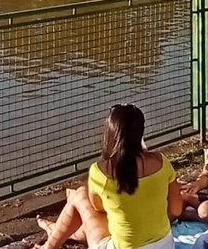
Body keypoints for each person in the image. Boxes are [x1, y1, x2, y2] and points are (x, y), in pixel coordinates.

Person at [34, 104, 181, 249]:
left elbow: (98, 207)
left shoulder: (101, 172)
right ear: (141, 133)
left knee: (80, 195)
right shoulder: (161, 163)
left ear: (110, 134)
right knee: (93, 220)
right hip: (165, 245)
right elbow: (176, 210)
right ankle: (54, 231)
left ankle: (50, 244)